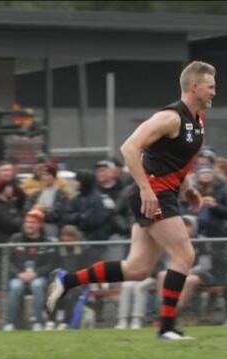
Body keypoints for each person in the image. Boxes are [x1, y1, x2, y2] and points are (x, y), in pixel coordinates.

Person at [47, 61, 215, 340]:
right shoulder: (171, 117)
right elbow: (129, 147)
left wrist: (189, 189)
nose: (214, 92)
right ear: (195, 87)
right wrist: (147, 190)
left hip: (163, 193)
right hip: (153, 194)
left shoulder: (198, 120)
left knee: (136, 269)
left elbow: (176, 161)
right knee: (184, 255)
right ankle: (166, 328)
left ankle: (67, 279)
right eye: (211, 87)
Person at [4, 210, 57, 331]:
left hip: (39, 277)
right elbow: (8, 261)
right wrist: (19, 273)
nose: (28, 225)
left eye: (32, 222)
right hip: (19, 276)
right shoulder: (16, 238)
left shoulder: (47, 242)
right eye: (27, 222)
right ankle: (9, 323)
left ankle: (38, 322)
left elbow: (51, 264)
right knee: (15, 286)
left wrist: (36, 273)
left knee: (37, 285)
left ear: (39, 224)